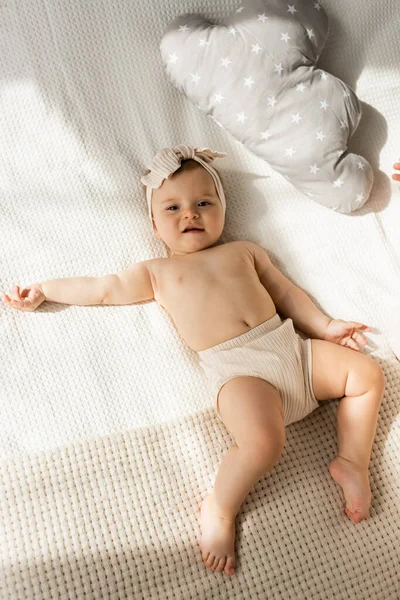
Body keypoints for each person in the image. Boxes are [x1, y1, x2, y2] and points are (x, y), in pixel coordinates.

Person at [2, 145, 386, 578]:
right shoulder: (156, 273)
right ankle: (220, 508)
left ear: (223, 208)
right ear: (153, 223)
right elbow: (102, 288)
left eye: (205, 203)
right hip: (242, 373)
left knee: (367, 374)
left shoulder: (245, 251)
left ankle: (352, 461)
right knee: (263, 444)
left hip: (293, 352)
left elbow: (286, 294)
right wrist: (44, 290)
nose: (191, 214)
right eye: (174, 207)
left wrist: (326, 325)